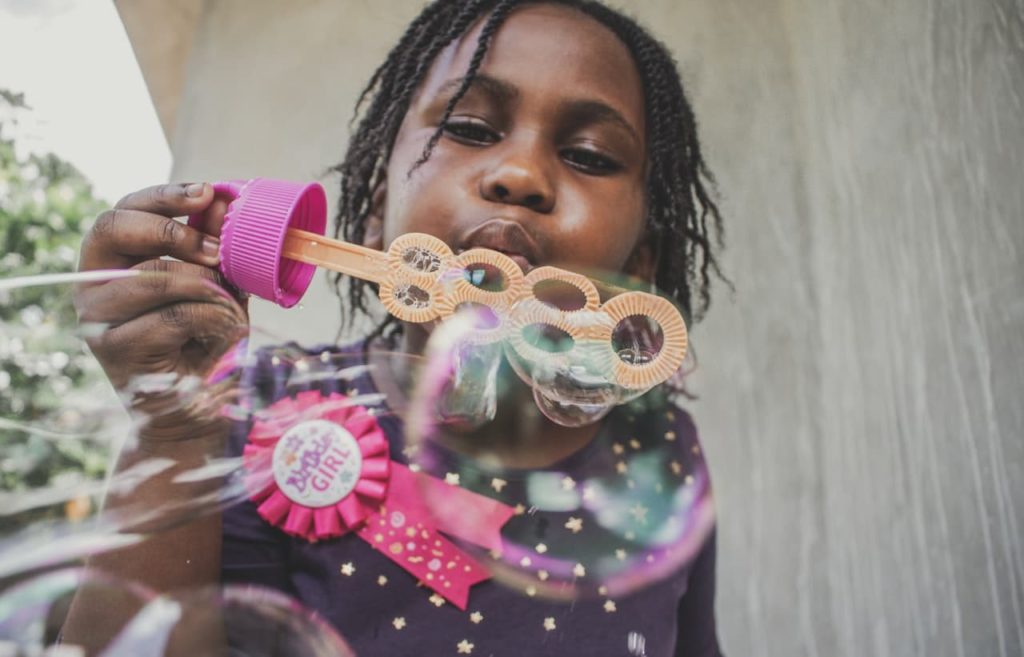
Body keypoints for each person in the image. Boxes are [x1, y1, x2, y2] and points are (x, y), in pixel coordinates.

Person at [69, 1, 727, 655]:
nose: (521, 175)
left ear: (638, 268)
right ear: (376, 216)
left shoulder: (663, 447)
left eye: (589, 155)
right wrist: (174, 427)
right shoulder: (256, 405)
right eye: (470, 127)